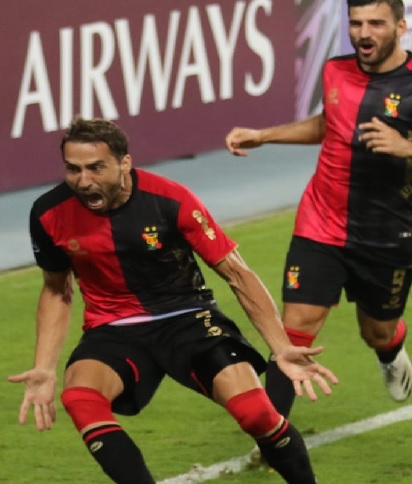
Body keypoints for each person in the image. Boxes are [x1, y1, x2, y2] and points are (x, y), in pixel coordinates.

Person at [8, 117, 338, 484]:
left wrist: (281, 347)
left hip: (188, 318)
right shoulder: (49, 212)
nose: (83, 181)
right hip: (114, 328)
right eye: (73, 169)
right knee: (80, 398)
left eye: (95, 168)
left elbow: (238, 274)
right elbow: (56, 288)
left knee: (257, 416)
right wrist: (44, 367)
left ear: (124, 164)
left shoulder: (170, 200)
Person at [224, 0, 412, 419]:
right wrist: (264, 135)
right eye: (356, 23)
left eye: (376, 24)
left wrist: (407, 147)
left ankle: (391, 351)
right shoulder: (334, 71)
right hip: (320, 222)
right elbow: (329, 125)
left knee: (376, 330)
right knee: (296, 329)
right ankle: (272, 436)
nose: (364, 33)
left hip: (386, 232)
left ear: (401, 26)